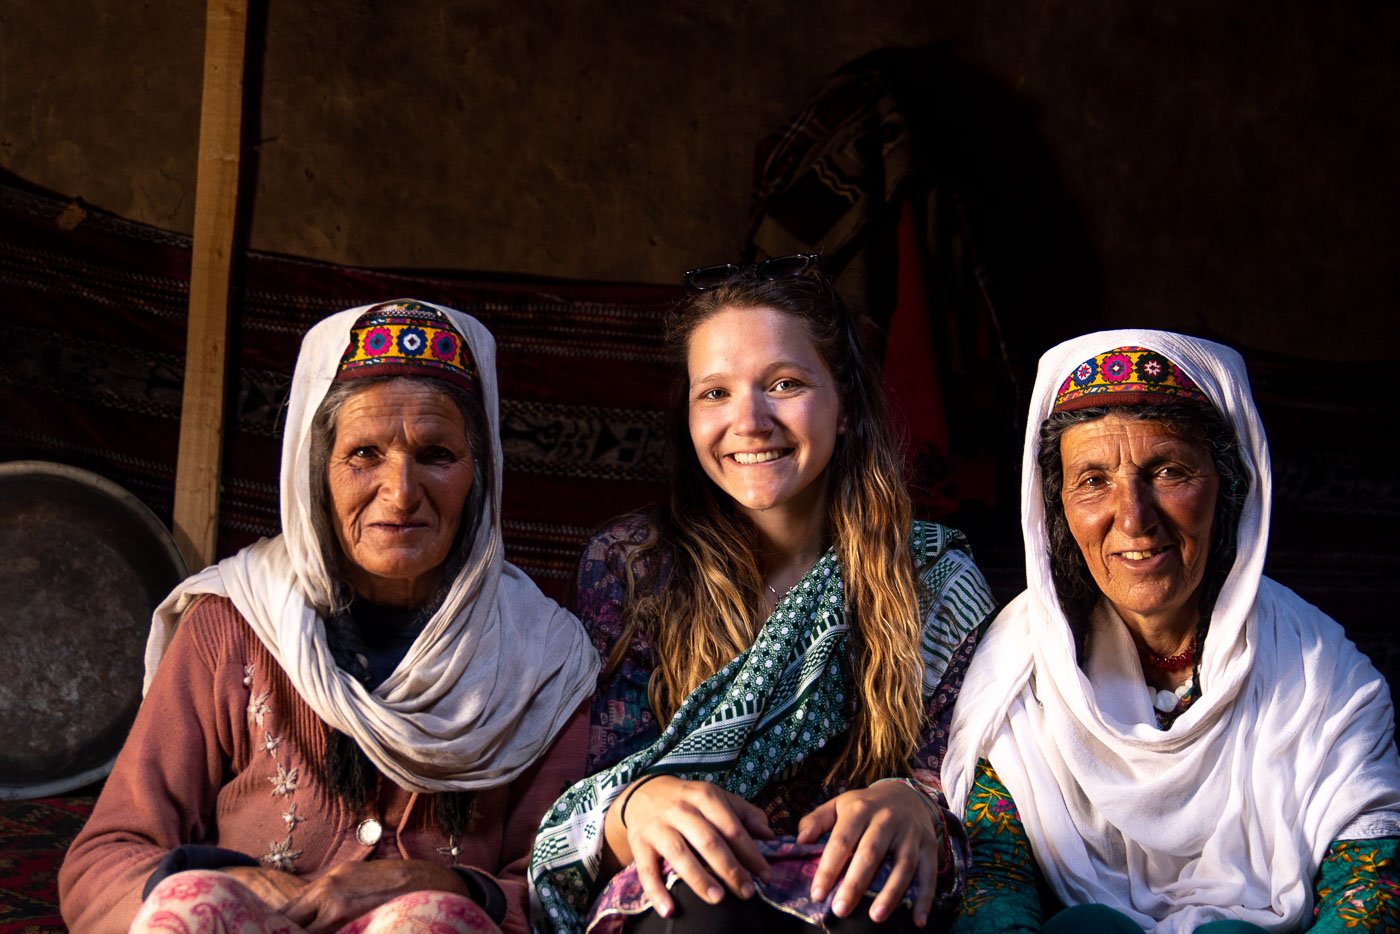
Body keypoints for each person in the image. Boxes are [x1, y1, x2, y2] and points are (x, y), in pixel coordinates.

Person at [59, 299, 600, 933]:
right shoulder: (232, 627)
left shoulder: (545, 659)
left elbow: (559, 889)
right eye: (364, 454)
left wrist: (443, 889)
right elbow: (105, 858)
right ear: (314, 472)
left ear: (481, 475)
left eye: (436, 455)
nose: (400, 493)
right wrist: (220, 887)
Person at [528, 255, 997, 933]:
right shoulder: (632, 566)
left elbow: (974, 798)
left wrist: (913, 806)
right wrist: (639, 806)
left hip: (858, 901)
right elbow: (592, 784)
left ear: (846, 410)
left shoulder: (931, 575)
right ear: (686, 421)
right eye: (714, 393)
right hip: (685, 903)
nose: (749, 420)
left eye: (784, 383)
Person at [943, 330, 1400, 933]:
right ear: (1057, 504)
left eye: (1169, 471)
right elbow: (994, 881)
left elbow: (1371, 882)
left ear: (1229, 486)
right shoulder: (1013, 676)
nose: (1133, 517)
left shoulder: (1326, 678)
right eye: (1093, 480)